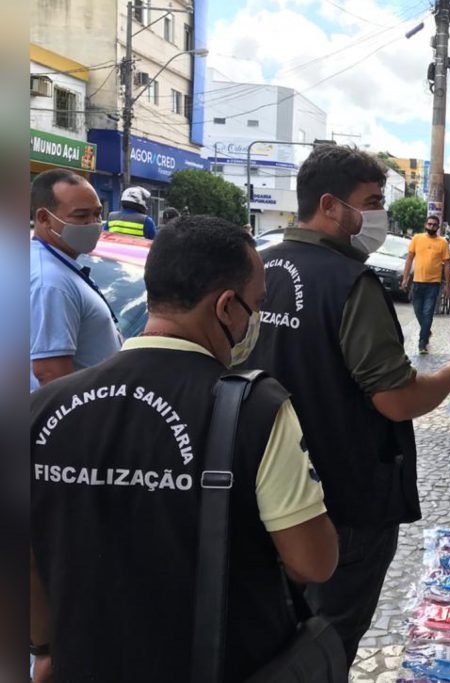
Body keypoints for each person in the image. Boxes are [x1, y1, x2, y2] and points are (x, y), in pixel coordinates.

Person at [29, 215, 339, 682]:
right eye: (255, 306)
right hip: (221, 662)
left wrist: (46, 648)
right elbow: (313, 561)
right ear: (226, 308)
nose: (254, 320)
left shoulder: (38, 411)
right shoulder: (256, 409)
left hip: (86, 661)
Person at [242, 144, 450, 659]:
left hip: (262, 489)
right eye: (373, 200)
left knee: (269, 630)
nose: (378, 214)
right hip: (342, 497)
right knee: (328, 640)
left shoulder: (259, 268)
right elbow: (395, 399)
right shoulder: (349, 283)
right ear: (331, 205)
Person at [30, 169, 121, 389]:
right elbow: (51, 374)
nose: (93, 223)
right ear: (44, 218)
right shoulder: (50, 281)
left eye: (98, 213)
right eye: (81, 216)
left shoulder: (55, 264)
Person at [402, 215, 450, 354]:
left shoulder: (443, 242)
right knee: (418, 311)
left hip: (433, 284)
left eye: (434, 225)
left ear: (438, 227)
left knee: (428, 313)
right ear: (425, 224)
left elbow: (447, 265)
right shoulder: (417, 238)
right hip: (417, 282)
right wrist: (405, 278)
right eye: (429, 224)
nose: (431, 227)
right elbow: (409, 259)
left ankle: (422, 342)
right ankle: (426, 331)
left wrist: (448, 284)